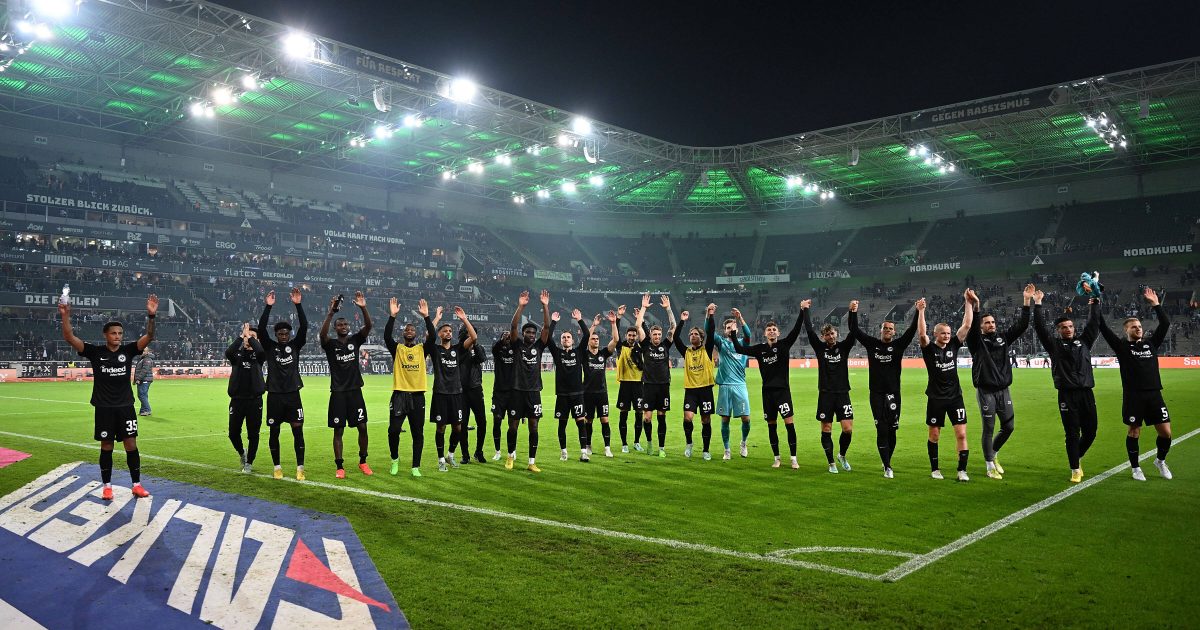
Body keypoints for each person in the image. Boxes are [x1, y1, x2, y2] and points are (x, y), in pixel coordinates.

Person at [58, 293, 158, 500]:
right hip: (104, 407)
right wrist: (65, 316)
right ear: (105, 335)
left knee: (131, 444)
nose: (118, 336)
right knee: (107, 446)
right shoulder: (95, 352)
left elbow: (149, 337)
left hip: (125, 406)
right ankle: (107, 486)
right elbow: (69, 337)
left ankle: (137, 485)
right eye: (113, 333)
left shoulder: (129, 351)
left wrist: (151, 316)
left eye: (120, 333)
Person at [1097, 287, 1174, 482]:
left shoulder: (1151, 344)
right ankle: (1135, 467)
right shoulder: (1122, 347)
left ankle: (1160, 461)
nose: (1138, 328)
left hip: (1155, 394)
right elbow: (1104, 328)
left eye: (1139, 326)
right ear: (1126, 330)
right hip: (1134, 396)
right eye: (1134, 327)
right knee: (1134, 431)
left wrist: (1156, 305)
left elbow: (1165, 323)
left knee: (1166, 433)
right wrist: (1095, 302)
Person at [730, 300, 810, 469]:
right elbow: (739, 349)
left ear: (778, 333)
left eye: (774, 329)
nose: (772, 331)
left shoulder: (784, 345)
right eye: (769, 330)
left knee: (789, 424)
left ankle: (794, 458)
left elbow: (796, 330)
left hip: (783, 392)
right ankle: (777, 458)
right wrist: (734, 329)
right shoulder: (759, 349)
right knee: (772, 426)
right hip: (767, 394)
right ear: (765, 333)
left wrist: (802, 310)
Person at [1031, 291, 1100, 483]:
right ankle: (1075, 469)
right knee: (1071, 433)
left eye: (1070, 326)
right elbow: (1039, 327)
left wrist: (1094, 303)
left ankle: (1076, 457)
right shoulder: (1054, 345)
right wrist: (1037, 304)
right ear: (1058, 330)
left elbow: (1094, 324)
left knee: (1091, 432)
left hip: (1087, 393)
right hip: (1067, 396)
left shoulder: (1084, 342)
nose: (1068, 329)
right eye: (1063, 327)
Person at [848, 299, 922, 478]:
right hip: (877, 394)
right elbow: (855, 330)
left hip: (894, 394)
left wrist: (919, 311)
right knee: (881, 429)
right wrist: (853, 312)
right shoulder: (872, 344)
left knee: (892, 430)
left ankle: (887, 458)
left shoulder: (898, 346)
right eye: (885, 328)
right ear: (880, 330)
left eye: (890, 328)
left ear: (894, 332)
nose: (887, 330)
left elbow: (912, 331)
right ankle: (887, 466)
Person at [965, 284, 1033, 479]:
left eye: (993, 322)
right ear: (981, 326)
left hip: (1004, 390)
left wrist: (1026, 301)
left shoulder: (1003, 339)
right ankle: (989, 466)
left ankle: (993, 453)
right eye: (987, 323)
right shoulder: (977, 343)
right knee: (989, 428)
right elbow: (971, 330)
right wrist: (976, 306)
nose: (991, 325)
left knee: (1009, 427)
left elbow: (1022, 326)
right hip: (986, 392)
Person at [917, 290, 975, 482]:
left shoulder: (954, 346)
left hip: (955, 397)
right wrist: (921, 311)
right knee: (934, 434)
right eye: (943, 333)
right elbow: (922, 333)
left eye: (949, 333)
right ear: (936, 334)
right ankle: (935, 469)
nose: (947, 336)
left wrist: (967, 302)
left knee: (961, 433)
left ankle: (962, 470)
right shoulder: (928, 348)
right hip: (935, 398)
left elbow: (966, 324)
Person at [319, 290, 374, 479]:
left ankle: (363, 461)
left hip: (355, 392)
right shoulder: (330, 344)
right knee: (338, 430)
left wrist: (363, 307)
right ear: (336, 328)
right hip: (338, 393)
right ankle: (340, 466)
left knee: (363, 428)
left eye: (346, 324)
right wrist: (331, 313)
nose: (343, 326)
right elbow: (322, 335)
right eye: (340, 325)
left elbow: (369, 326)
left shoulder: (355, 340)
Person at [257, 288, 309, 480]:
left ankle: (300, 468)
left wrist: (298, 304)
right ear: (276, 334)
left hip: (293, 395)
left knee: (298, 432)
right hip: (275, 396)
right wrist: (268, 307)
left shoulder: (295, 345)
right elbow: (261, 329)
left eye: (286, 333)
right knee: (274, 432)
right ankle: (277, 467)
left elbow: (304, 326)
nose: (284, 336)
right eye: (280, 333)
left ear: (289, 334)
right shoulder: (270, 347)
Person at [383, 297, 435, 477]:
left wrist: (427, 317)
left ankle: (415, 466)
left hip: (417, 396)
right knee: (393, 430)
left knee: (417, 433)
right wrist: (392, 316)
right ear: (404, 333)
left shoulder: (422, 349)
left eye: (413, 329)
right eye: (407, 329)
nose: (410, 331)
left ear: (416, 333)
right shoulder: (397, 348)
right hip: (399, 395)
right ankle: (395, 460)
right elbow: (386, 336)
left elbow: (433, 336)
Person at [805, 307, 858, 473]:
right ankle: (831, 463)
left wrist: (853, 312)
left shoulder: (844, 347)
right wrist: (805, 310)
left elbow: (854, 331)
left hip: (843, 393)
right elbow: (809, 329)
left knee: (848, 429)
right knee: (826, 429)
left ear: (837, 334)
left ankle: (841, 455)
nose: (830, 336)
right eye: (827, 334)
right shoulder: (820, 348)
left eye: (833, 333)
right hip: (826, 394)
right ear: (823, 337)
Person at [504, 290, 551, 472]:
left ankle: (531, 462)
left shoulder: (539, 346)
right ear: (523, 334)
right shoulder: (517, 345)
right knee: (513, 426)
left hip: (533, 392)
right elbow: (513, 326)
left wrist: (545, 306)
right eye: (528, 332)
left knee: (533, 427)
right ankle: (510, 457)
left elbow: (546, 328)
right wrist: (521, 306)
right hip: (517, 390)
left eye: (533, 332)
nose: (531, 334)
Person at [427, 306, 478, 472]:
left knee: (458, 427)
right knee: (441, 428)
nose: (448, 333)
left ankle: (450, 454)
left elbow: (474, 337)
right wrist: (436, 318)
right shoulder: (435, 350)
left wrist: (464, 318)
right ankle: (441, 459)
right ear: (440, 334)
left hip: (457, 394)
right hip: (441, 394)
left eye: (450, 331)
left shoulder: (458, 350)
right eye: (445, 331)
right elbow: (428, 336)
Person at [635, 293, 677, 457]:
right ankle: (650, 443)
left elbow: (673, 326)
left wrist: (668, 309)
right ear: (651, 335)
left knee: (661, 416)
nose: (658, 337)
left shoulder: (666, 345)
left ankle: (661, 447)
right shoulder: (645, 345)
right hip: (649, 386)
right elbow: (638, 326)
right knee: (647, 417)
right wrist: (643, 308)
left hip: (663, 385)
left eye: (659, 335)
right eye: (655, 335)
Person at [711, 306, 753, 460]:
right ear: (725, 330)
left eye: (733, 327)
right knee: (725, 419)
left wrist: (741, 318)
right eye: (728, 328)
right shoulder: (722, 343)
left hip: (740, 385)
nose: (730, 329)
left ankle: (743, 443)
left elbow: (749, 334)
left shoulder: (742, 343)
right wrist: (710, 315)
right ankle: (727, 449)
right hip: (725, 386)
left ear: (737, 328)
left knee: (746, 419)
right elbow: (710, 333)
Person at [676, 305, 717, 460]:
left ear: (701, 337)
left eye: (695, 334)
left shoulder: (706, 350)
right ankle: (689, 444)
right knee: (687, 418)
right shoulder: (686, 352)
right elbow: (675, 338)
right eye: (691, 334)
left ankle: (706, 450)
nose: (692, 336)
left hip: (706, 390)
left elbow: (711, 332)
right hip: (691, 391)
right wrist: (682, 321)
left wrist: (710, 314)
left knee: (705, 420)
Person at [548, 309, 588, 461]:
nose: (566, 339)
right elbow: (548, 340)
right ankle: (564, 451)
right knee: (562, 425)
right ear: (561, 340)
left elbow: (587, 336)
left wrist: (580, 319)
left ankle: (583, 452)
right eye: (563, 337)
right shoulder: (557, 353)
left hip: (577, 395)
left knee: (580, 423)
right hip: (563, 395)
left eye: (568, 337)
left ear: (573, 340)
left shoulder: (579, 352)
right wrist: (553, 322)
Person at [226, 322, 266, 474]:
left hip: (255, 400)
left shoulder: (259, 357)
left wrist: (251, 338)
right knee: (233, 433)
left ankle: (249, 462)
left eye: (253, 337)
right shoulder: (237, 355)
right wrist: (241, 337)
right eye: (247, 337)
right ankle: (242, 453)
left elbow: (261, 350)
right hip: (237, 400)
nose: (249, 339)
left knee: (253, 434)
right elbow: (228, 352)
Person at [582, 311, 620, 458]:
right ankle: (588, 445)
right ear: (589, 341)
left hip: (602, 393)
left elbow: (615, 340)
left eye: (597, 338)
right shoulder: (585, 355)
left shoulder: (603, 353)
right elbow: (585, 339)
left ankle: (607, 448)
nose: (596, 340)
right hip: (588, 393)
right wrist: (593, 326)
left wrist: (613, 323)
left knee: (605, 420)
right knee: (588, 421)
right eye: (593, 339)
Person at [456, 325, 489, 464]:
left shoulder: (478, 347)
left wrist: (475, 345)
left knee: (482, 422)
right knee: (462, 424)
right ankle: (465, 454)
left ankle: (478, 452)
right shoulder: (459, 348)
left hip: (476, 389)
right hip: (462, 391)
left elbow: (482, 359)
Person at [613, 304, 643, 453]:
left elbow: (646, 335)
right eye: (629, 335)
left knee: (639, 414)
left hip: (639, 385)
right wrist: (618, 317)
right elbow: (616, 333)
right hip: (625, 384)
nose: (632, 337)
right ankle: (624, 443)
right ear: (626, 336)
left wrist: (640, 319)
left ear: (637, 336)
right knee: (623, 414)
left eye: (634, 335)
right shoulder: (621, 347)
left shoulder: (641, 347)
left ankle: (637, 442)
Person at [490, 329, 516, 461]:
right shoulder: (497, 351)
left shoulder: (516, 350)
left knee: (513, 424)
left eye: (509, 335)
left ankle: (513, 450)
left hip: (513, 393)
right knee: (497, 421)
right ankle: (498, 451)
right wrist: (502, 340)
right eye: (504, 335)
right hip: (499, 393)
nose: (507, 336)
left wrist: (512, 338)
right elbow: (494, 348)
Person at [132, 347, 154, 416]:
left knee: (141, 395)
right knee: (144, 395)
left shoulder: (147, 359)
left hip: (144, 380)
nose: (142, 352)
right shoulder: (143, 359)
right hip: (144, 379)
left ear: (147, 352)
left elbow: (144, 370)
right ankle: (143, 411)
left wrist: (138, 379)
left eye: (144, 351)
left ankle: (147, 409)